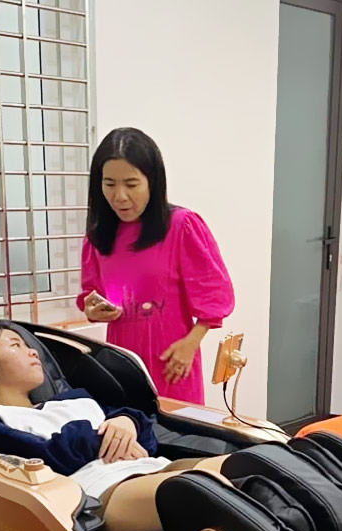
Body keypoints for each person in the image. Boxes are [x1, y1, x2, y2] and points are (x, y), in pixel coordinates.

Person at [0, 316, 226, 531]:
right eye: (15, 345)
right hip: (100, 495)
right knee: (204, 493)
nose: (32, 352)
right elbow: (50, 457)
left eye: (27, 344)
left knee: (244, 468)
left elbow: (144, 433)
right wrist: (106, 434)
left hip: (153, 466)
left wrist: (126, 422)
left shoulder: (74, 398)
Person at [76, 127, 234, 403]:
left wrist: (190, 344)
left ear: (152, 181)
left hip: (172, 361)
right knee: (127, 424)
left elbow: (214, 294)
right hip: (123, 363)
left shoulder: (181, 226)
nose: (120, 196)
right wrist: (93, 309)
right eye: (109, 184)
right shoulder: (99, 236)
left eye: (131, 184)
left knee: (176, 427)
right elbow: (92, 293)